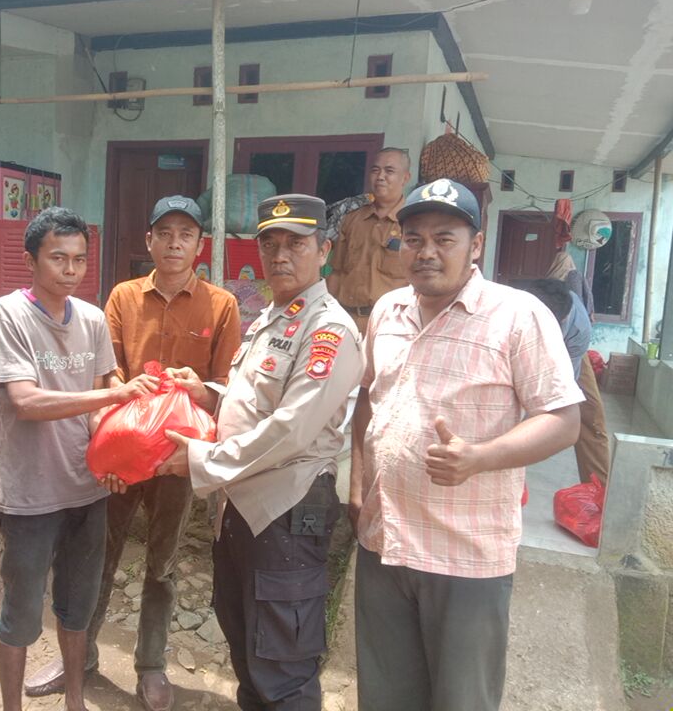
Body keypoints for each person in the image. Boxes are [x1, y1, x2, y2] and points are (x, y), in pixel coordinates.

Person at [350, 178, 584, 711]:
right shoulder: (387, 312)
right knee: (385, 696)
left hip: (466, 554)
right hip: (384, 540)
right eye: (413, 239)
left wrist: (480, 458)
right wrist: (358, 482)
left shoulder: (517, 317)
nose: (426, 252)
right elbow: (367, 399)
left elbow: (563, 419)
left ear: (475, 245)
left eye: (444, 238)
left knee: (462, 700)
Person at [24, 196, 241, 711]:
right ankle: (80, 657)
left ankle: (151, 665)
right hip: (124, 450)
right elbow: (108, 373)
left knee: (161, 566)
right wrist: (120, 438)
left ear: (198, 245)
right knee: (98, 557)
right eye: (163, 232)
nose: (173, 242)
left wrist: (196, 391)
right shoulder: (122, 298)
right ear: (148, 241)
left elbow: (229, 384)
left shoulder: (221, 305)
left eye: (185, 234)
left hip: (179, 457)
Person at [158, 193, 364, 709]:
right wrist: (208, 393)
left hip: (287, 513)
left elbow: (292, 428)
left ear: (325, 250)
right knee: (246, 648)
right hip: (244, 507)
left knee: (282, 669)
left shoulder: (329, 329)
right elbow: (258, 400)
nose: (279, 255)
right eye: (270, 243)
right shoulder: (276, 315)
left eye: (296, 243)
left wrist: (202, 462)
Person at [0, 206, 159, 711]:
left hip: (87, 489)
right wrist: (114, 398)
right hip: (28, 494)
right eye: (58, 257)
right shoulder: (8, 314)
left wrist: (124, 451)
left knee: (77, 608)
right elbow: (27, 401)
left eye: (80, 260)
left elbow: (107, 386)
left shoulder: (91, 319)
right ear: (31, 260)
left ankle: (76, 701)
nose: (71, 270)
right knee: (20, 611)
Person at [326, 147, 412, 334]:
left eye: (389, 171)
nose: (380, 176)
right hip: (345, 321)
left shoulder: (413, 224)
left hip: (389, 326)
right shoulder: (352, 219)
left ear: (405, 178)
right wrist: (326, 317)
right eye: (375, 170)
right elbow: (337, 273)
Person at [547, 250, 610, 485]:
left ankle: (598, 491)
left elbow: (566, 383)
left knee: (590, 418)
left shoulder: (579, 329)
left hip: (570, 353)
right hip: (522, 342)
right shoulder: (527, 307)